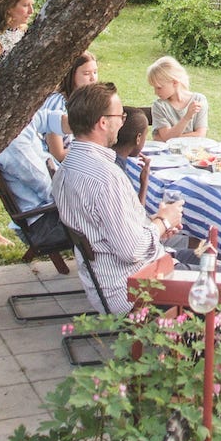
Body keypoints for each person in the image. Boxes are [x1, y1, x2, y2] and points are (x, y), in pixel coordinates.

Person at [52, 83, 187, 315]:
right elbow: (131, 250)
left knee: (199, 258)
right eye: (120, 116)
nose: (122, 122)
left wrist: (153, 227)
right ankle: (199, 343)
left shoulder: (67, 168)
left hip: (104, 285)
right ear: (103, 123)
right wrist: (163, 222)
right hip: (131, 289)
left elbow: (105, 230)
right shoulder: (106, 177)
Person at [0, 0, 36, 243]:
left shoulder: (23, 31)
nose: (30, 11)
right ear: (7, 6)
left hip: (22, 109)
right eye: (25, 5)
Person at [0, 106, 69, 251]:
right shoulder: (13, 142)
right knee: (110, 219)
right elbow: (49, 189)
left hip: (53, 212)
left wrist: (79, 122)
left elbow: (44, 118)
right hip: (44, 223)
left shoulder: (16, 118)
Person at [41, 52, 99, 163]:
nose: (93, 78)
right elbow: (57, 154)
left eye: (95, 72)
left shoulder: (85, 102)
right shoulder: (57, 104)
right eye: (86, 73)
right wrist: (92, 148)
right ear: (71, 74)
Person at [147, 56, 208, 141]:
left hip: (193, 152)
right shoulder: (159, 106)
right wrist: (187, 117)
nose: (155, 92)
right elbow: (167, 137)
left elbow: (200, 135)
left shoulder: (199, 100)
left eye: (159, 88)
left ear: (175, 82)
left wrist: (167, 138)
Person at [111, 106, 152, 205]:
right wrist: (144, 185)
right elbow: (137, 217)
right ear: (138, 138)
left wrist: (143, 179)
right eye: (145, 135)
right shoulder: (119, 176)